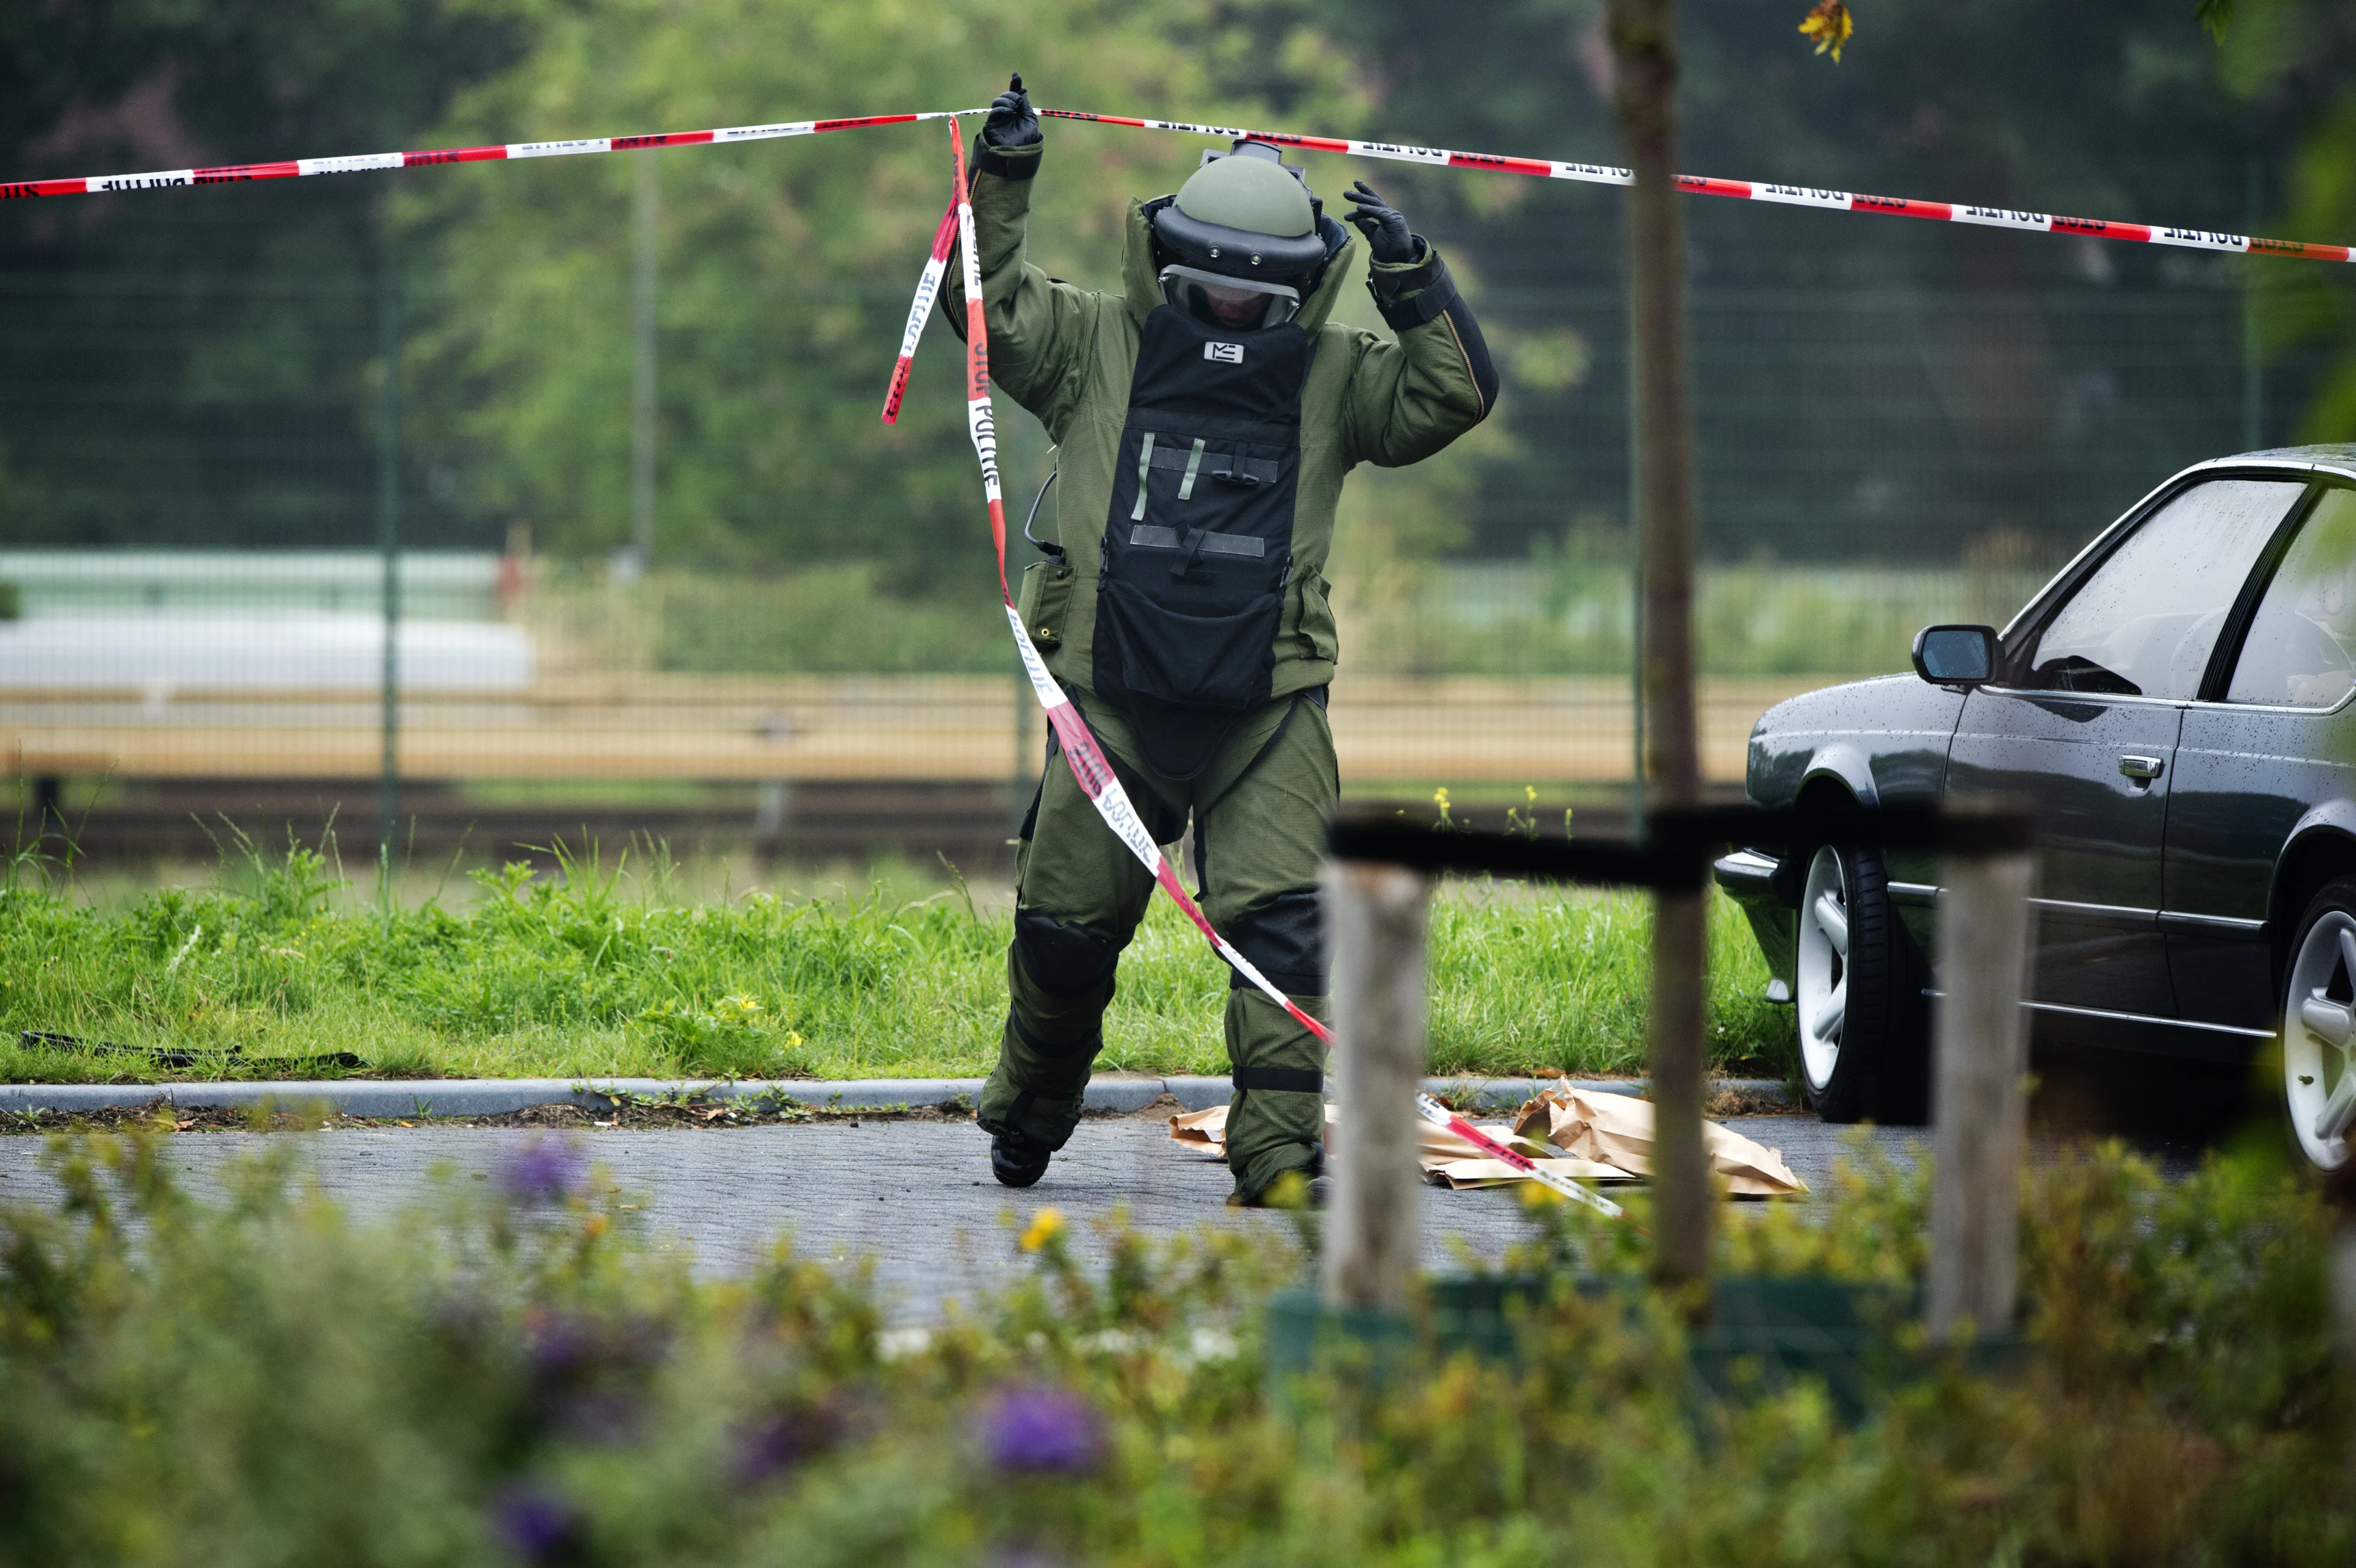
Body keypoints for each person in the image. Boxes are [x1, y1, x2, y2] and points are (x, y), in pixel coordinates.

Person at [952, 74, 1498, 1204]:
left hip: (1268, 709)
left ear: (1307, 283)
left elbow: (1453, 393)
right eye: (1209, 288)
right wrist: (1002, 177)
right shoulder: (1092, 344)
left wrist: (1413, 277)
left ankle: (1281, 1160)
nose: (1233, 310)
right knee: (1062, 935)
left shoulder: (1338, 377)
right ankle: (1028, 1113)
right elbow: (982, 304)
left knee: (1286, 940)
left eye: (1260, 295)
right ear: (1168, 262)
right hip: (1109, 701)